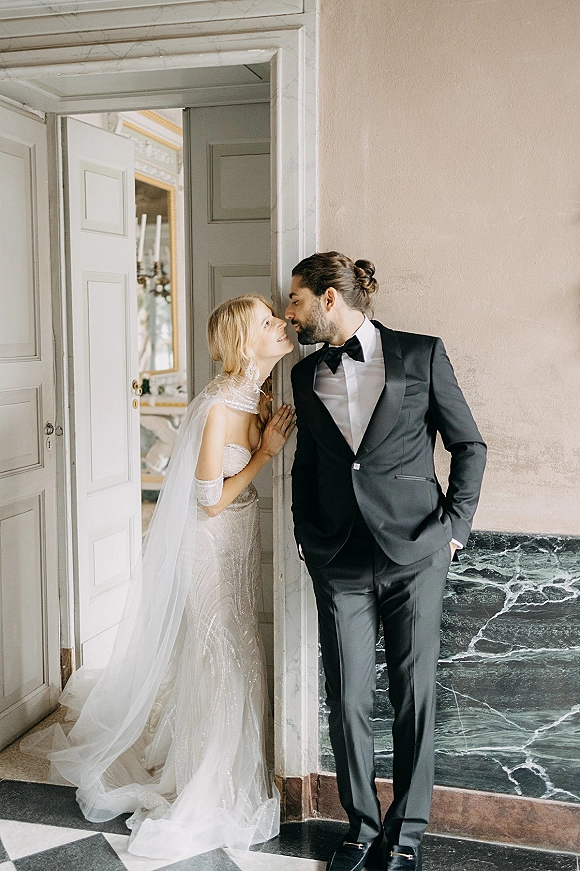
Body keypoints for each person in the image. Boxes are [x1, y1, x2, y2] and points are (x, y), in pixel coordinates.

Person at [22, 294, 295, 862]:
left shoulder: (259, 394)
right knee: (222, 651)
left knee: (240, 645)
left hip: (239, 541)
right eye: (269, 322)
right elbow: (208, 500)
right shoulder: (218, 406)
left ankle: (232, 764)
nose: (282, 324)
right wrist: (266, 452)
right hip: (208, 542)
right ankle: (209, 778)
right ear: (247, 343)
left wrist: (265, 436)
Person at [285, 253, 486, 871]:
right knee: (346, 695)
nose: (288, 312)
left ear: (328, 299)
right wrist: (305, 534)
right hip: (338, 556)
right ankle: (361, 827)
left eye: (295, 300)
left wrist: (454, 527)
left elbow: (468, 444)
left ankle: (406, 836)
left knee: (412, 695)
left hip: (416, 553)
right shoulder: (302, 373)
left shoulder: (421, 354)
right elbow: (312, 463)